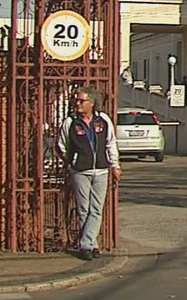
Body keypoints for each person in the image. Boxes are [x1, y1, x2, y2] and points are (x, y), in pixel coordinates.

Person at [57, 86, 122, 261]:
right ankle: (90, 245)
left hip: (101, 170)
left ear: (91, 103)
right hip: (80, 171)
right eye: (76, 100)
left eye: (81, 100)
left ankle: (86, 244)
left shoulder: (103, 120)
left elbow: (111, 143)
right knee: (83, 209)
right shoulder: (71, 122)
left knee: (96, 208)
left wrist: (115, 165)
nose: (77, 103)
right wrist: (73, 161)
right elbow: (62, 145)